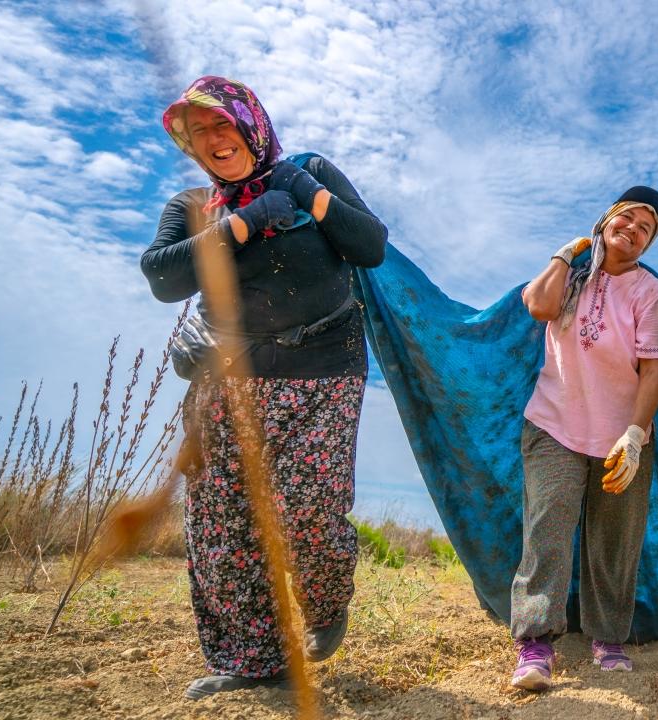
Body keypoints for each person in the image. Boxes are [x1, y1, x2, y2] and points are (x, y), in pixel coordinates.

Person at [140, 76, 387, 700]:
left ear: (250, 124)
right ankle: (254, 660)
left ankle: (326, 602)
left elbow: (370, 244)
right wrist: (247, 221)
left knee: (306, 506)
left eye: (222, 125)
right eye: (199, 134)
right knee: (221, 524)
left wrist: (304, 191)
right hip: (229, 381)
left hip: (325, 366)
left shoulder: (308, 171)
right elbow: (164, 277)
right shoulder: (194, 206)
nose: (212, 141)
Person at [508, 186, 658, 690]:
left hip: (620, 438)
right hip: (554, 425)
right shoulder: (573, 279)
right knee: (547, 531)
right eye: (627, 219)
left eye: (646, 229)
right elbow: (537, 305)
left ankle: (608, 637)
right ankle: (535, 645)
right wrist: (566, 251)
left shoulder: (648, 290)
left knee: (615, 542)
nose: (635, 230)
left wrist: (635, 434)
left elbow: (652, 369)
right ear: (605, 221)